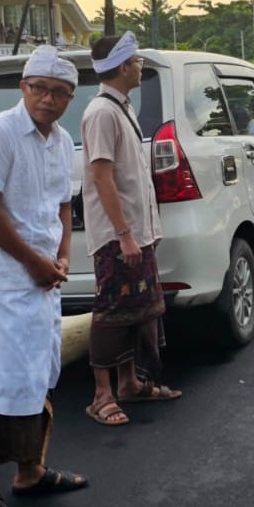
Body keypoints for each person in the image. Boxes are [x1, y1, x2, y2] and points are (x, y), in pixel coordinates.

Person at [0, 45, 89, 507]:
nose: (49, 100)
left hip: (40, 276)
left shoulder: (60, 141)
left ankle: (31, 470)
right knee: (2, 380)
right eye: (40, 89)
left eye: (60, 93)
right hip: (2, 279)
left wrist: (60, 257)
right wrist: (34, 261)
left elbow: (61, 205)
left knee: (38, 374)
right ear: (24, 88)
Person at [81, 32, 181, 427]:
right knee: (111, 310)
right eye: (136, 61)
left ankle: (129, 384)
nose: (140, 67)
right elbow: (102, 177)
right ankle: (101, 395)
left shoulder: (120, 108)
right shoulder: (102, 113)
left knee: (137, 311)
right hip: (116, 237)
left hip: (135, 233)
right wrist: (123, 233)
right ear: (123, 67)